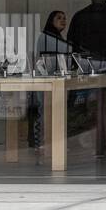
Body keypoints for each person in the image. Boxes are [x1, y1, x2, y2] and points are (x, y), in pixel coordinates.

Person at [28, 11, 73, 149]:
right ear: (51, 21)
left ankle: (53, 142)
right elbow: (68, 50)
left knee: (54, 112)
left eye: (65, 18)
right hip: (45, 81)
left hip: (54, 81)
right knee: (45, 111)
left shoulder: (56, 38)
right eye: (59, 18)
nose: (63, 20)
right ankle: (42, 142)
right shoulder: (46, 37)